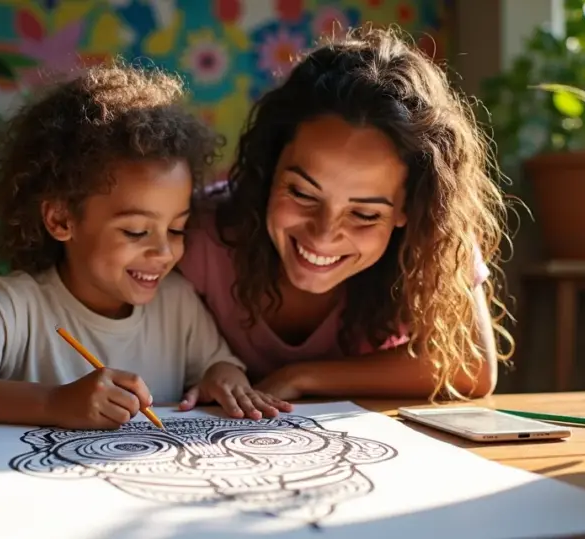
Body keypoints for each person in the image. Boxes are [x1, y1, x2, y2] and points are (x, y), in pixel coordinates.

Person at [0, 64, 292, 430]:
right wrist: (53, 402)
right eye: (135, 232)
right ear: (61, 220)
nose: (164, 252)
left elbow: (216, 363)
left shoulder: (177, 303)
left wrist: (224, 377)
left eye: (178, 229)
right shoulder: (16, 305)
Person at [176, 26, 514, 407]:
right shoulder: (199, 235)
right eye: (302, 194)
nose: (323, 235)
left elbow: (471, 366)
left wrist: (302, 377)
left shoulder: (434, 237)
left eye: (365, 214)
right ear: (269, 169)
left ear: (408, 208)